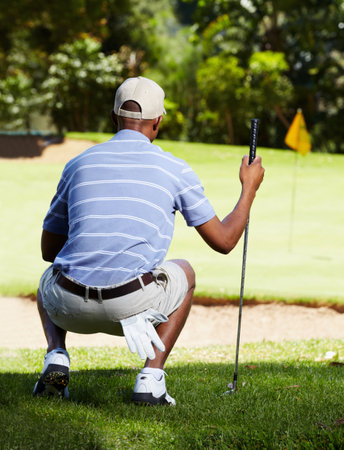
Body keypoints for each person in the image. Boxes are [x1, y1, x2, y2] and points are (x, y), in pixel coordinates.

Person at [33, 76, 264, 405]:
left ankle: (56, 355)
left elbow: (48, 251)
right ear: (158, 121)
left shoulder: (78, 164)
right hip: (132, 308)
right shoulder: (174, 169)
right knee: (185, 270)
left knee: (50, 274)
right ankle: (150, 378)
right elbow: (224, 241)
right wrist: (249, 188)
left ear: (114, 118)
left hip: (68, 307)